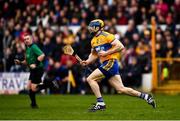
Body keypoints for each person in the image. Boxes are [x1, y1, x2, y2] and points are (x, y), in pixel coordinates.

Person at [81, 19, 156, 112]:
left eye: (92, 27)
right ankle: (146, 96)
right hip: (107, 63)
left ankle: (100, 103)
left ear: (98, 27)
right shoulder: (93, 40)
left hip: (111, 62)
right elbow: (94, 54)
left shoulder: (107, 35)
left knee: (90, 79)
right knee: (121, 89)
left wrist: (106, 53)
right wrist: (87, 61)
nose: (90, 29)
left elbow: (120, 46)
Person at [14, 33, 59, 108]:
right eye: (25, 39)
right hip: (33, 70)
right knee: (29, 88)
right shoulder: (27, 48)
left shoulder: (34, 47)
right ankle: (33, 104)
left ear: (31, 39)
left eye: (27, 39)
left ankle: (51, 83)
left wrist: (35, 64)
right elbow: (27, 61)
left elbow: (42, 55)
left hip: (38, 69)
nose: (26, 40)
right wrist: (20, 63)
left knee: (34, 88)